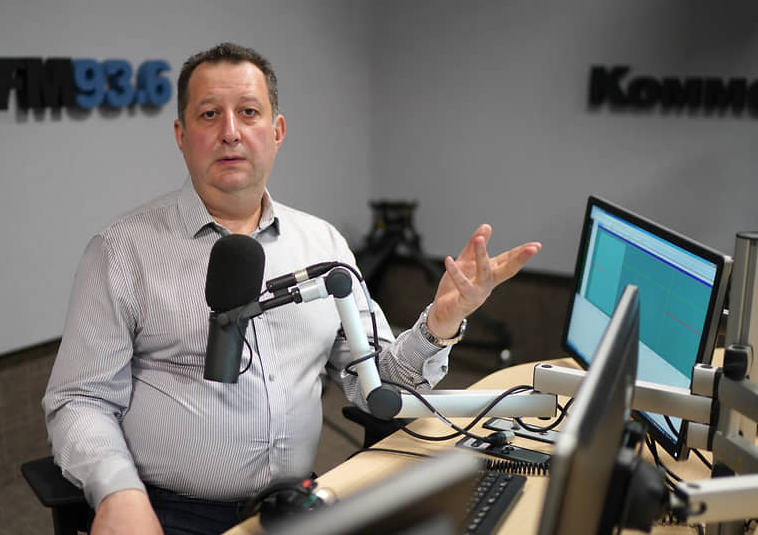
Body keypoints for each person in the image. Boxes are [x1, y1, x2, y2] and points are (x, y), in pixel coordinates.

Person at [42, 42, 540, 535]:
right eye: (209, 114)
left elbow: (381, 387)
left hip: (297, 503)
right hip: (172, 514)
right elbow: (78, 400)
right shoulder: (122, 250)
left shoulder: (322, 244)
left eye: (249, 112)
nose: (230, 132)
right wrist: (118, 494)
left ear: (276, 131)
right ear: (181, 134)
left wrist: (440, 323)